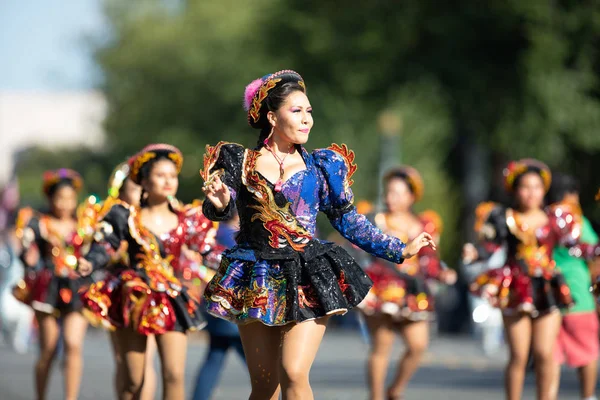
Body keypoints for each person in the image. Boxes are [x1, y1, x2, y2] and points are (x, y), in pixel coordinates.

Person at [200, 70, 435, 400]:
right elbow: (219, 210)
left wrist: (399, 249)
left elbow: (349, 221)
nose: (307, 119)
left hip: (308, 275)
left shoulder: (323, 167)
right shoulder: (241, 163)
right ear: (271, 116)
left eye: (309, 111)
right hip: (256, 276)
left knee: (294, 372)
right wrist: (222, 204)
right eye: (297, 111)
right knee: (265, 386)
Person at [78, 144, 222, 400]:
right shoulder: (125, 216)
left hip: (172, 301)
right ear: (143, 180)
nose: (168, 181)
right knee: (134, 380)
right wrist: (90, 261)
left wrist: (237, 263)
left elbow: (208, 251)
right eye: (160, 175)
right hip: (134, 300)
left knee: (174, 375)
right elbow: (104, 244)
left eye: (172, 175)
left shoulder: (187, 218)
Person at [464, 159, 600, 400]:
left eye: (537, 187)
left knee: (545, 353)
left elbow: (575, 247)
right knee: (519, 355)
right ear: (515, 190)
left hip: (548, 288)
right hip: (515, 287)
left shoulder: (556, 218)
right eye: (525, 187)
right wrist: (475, 253)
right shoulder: (503, 217)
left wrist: (595, 250)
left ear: (544, 190)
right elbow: (490, 246)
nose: (531, 193)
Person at [359, 167, 456, 400]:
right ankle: (376, 396)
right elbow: (361, 252)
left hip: (414, 292)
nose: (392, 198)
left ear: (412, 196)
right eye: (389, 192)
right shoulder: (375, 219)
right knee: (381, 348)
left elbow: (430, 262)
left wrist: (442, 274)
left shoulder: (425, 225)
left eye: (399, 193)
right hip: (382, 290)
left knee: (418, 345)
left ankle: (396, 390)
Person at [79, 161, 158, 400]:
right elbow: (100, 247)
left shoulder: (153, 216)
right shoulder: (114, 216)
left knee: (149, 359)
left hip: (152, 294)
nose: (140, 193)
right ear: (121, 191)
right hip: (119, 293)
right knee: (124, 359)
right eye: (133, 188)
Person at [13, 169, 89, 400]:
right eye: (59, 198)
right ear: (50, 199)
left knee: (73, 344)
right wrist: (29, 256)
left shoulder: (84, 224)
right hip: (48, 289)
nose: (64, 204)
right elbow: (27, 252)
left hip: (77, 288)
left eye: (69, 198)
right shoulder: (39, 223)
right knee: (49, 348)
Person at [547, 174, 599, 400]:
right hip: (578, 293)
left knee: (551, 354)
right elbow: (595, 254)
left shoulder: (542, 219)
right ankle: (587, 397)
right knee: (587, 351)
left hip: (546, 295)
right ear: (569, 195)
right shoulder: (576, 220)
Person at [192, 211, 247, 400]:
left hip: (217, 305)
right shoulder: (230, 234)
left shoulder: (216, 231)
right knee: (261, 364)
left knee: (214, 358)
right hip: (233, 308)